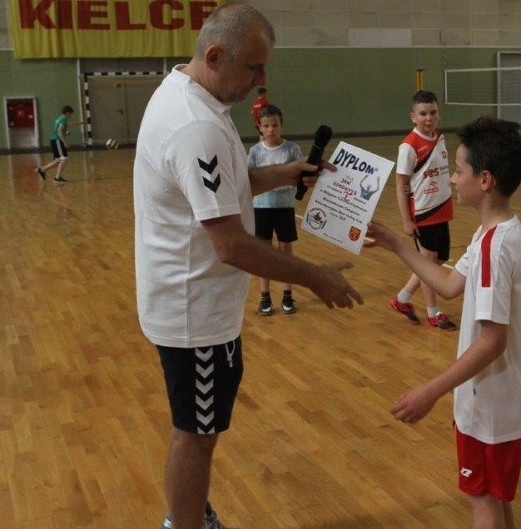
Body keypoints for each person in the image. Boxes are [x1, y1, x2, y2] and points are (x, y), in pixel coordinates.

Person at [133, 5, 363, 529]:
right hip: (195, 314)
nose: (262, 84)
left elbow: (219, 193)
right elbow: (231, 245)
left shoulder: (187, 94)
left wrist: (282, 172)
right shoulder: (197, 128)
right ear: (214, 56)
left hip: (186, 301)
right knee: (196, 433)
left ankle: (189, 509)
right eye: (253, 69)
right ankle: (186, 522)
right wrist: (317, 277)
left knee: (197, 427)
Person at [367, 116, 521, 529]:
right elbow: (446, 284)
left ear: (485, 180)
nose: (452, 180)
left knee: (481, 501)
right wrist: (395, 243)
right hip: (500, 396)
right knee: (495, 497)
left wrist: (431, 390)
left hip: (491, 398)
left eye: (458, 171)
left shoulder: (496, 247)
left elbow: (493, 341)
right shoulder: (491, 234)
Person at [388, 90, 457, 330]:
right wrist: (406, 220)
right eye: (423, 113)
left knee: (438, 260)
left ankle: (403, 298)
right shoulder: (409, 146)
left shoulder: (439, 138)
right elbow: (400, 185)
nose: (429, 118)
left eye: (433, 112)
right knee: (428, 265)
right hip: (423, 213)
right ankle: (433, 312)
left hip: (442, 209)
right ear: (413, 117)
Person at [249, 104, 302, 315]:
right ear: (260, 128)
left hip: (284, 207)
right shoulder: (255, 152)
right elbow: (248, 179)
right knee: (264, 252)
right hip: (261, 208)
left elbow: (300, 175)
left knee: (285, 252)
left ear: (282, 126)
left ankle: (287, 295)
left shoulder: (292, 149)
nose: (271, 129)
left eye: (275, 125)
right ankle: (265, 296)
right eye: (266, 125)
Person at [36, 105, 83, 185]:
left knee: (58, 160)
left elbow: (68, 125)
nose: (72, 116)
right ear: (68, 113)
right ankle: (57, 178)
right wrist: (65, 143)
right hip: (57, 140)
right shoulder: (63, 120)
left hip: (54, 140)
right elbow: (59, 131)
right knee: (64, 158)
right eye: (71, 114)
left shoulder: (60, 119)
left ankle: (42, 170)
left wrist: (79, 123)